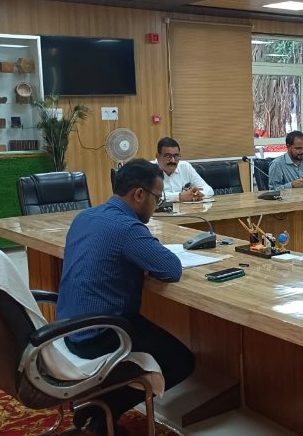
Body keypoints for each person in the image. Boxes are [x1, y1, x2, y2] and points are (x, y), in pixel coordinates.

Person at [56, 159, 195, 435]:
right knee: (181, 361)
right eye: (157, 198)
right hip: (100, 333)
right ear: (139, 194)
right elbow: (171, 269)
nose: (157, 205)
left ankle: (101, 408)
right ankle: (104, 410)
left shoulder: (86, 216)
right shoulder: (127, 228)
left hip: (67, 328)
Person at [153, 137, 213, 203]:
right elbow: (151, 196)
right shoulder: (148, 170)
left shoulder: (185, 167)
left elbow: (208, 190)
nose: (173, 160)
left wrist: (197, 194)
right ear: (158, 156)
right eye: (168, 156)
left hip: (186, 209)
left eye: (176, 156)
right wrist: (179, 197)